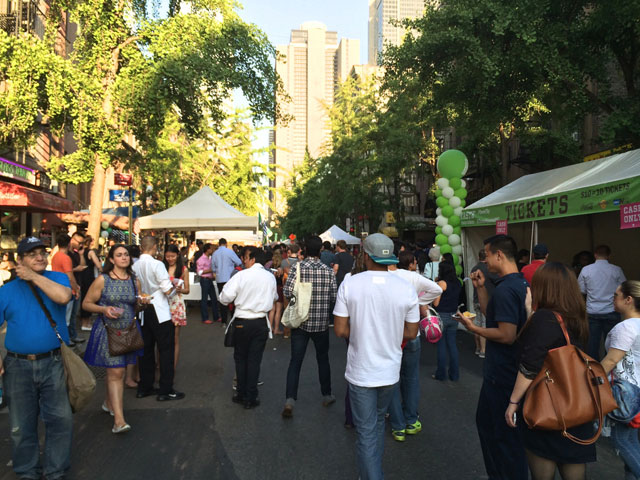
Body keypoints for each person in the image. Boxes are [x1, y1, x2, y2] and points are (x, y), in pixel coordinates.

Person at [333, 233, 419, 480]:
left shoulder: (350, 283)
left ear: (366, 256)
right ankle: (372, 472)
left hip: (361, 371)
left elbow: (339, 329)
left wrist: (362, 329)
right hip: (390, 371)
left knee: (367, 432)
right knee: (378, 424)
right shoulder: (405, 288)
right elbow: (412, 332)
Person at [505, 262, 595, 480]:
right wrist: (530, 313)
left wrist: (513, 402)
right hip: (577, 404)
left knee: (542, 471)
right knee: (573, 466)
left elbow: (530, 365)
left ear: (543, 287)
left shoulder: (544, 318)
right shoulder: (577, 316)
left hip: (547, 406)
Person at [456, 234, 529, 480]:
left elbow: (506, 334)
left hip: (503, 374)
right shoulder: (515, 284)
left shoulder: (509, 289)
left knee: (503, 437)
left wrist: (473, 328)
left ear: (499, 254)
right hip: (504, 372)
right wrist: (480, 288)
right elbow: (492, 314)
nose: (484, 261)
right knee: (491, 427)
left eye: (486, 254)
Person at [0, 236, 73, 479]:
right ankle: (27, 472)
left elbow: (63, 297)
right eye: (32, 254)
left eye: (42, 252)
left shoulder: (58, 278)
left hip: (53, 362)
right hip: (17, 365)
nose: (40, 257)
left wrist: (33, 277)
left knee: (60, 421)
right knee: (21, 427)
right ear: (19, 261)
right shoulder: (6, 291)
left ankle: (56, 471)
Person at [83, 244, 146, 434]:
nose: (124, 258)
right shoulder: (103, 280)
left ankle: (109, 402)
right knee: (116, 372)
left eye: (126, 254)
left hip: (129, 330)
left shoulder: (135, 280)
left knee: (119, 370)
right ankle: (119, 420)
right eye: (119, 255)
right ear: (111, 260)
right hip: (108, 331)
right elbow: (86, 303)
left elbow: (136, 307)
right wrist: (104, 309)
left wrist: (143, 303)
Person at [387, 250, 442, 441]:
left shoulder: (382, 277)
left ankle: (397, 425)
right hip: (412, 335)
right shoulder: (413, 277)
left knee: (392, 380)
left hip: (390, 335)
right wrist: (417, 302)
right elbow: (437, 289)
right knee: (410, 379)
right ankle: (411, 420)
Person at [281, 236, 338, 418]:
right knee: (323, 359)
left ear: (304, 249)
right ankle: (327, 394)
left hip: (300, 322)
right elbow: (333, 296)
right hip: (321, 324)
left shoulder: (298, 268)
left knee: (295, 362)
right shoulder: (328, 271)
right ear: (321, 249)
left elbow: (287, 291)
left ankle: (290, 399)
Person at [220, 246, 277, 409]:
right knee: (254, 360)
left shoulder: (241, 276)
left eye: (245, 257)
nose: (243, 261)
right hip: (260, 322)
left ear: (252, 259)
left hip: (242, 322)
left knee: (241, 358)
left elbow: (224, 298)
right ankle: (251, 396)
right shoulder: (269, 277)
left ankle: (241, 393)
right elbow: (274, 297)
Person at [132, 235, 184, 402]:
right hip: (159, 309)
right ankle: (165, 389)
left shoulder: (135, 264)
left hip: (143, 308)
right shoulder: (157, 264)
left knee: (146, 349)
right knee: (166, 350)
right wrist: (176, 289)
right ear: (154, 247)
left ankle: (145, 387)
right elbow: (167, 289)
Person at [601, 281, 640, 480]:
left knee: (621, 440)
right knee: (632, 442)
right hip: (636, 390)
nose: (612, 298)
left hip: (626, 392)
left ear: (628, 299)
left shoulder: (626, 327)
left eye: (616, 295)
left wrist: (591, 380)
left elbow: (611, 360)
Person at [578, 245, 626, 360]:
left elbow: (581, 290)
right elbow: (624, 287)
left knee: (592, 344)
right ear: (609, 255)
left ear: (595, 255)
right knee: (612, 344)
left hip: (592, 311)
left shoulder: (586, 270)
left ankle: (593, 370)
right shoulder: (616, 269)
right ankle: (609, 371)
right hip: (611, 311)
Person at [51, 235, 85, 347]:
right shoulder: (66, 258)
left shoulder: (55, 256)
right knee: (68, 317)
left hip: (58, 288)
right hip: (68, 289)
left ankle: (70, 337)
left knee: (64, 316)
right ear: (69, 243)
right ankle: (67, 339)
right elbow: (70, 276)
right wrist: (76, 289)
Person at [433, 261, 463, 382]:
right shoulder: (457, 283)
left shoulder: (442, 283)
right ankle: (454, 374)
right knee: (452, 345)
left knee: (441, 346)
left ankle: (441, 374)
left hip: (442, 315)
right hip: (454, 315)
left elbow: (436, 303)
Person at [164, 244, 189, 370]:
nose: (170, 259)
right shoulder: (161, 268)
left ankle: (172, 367)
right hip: (162, 304)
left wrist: (180, 289)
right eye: (167, 256)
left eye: (172, 256)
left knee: (174, 339)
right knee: (162, 338)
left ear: (177, 255)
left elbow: (187, 290)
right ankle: (161, 365)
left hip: (176, 305)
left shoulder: (183, 269)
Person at [470, 249, 498, 358]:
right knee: (484, 325)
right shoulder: (488, 269)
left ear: (478, 257)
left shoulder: (474, 268)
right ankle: (483, 350)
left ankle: (478, 347)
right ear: (486, 257)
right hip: (486, 300)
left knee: (477, 324)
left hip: (476, 299)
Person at [211, 238, 242, 325]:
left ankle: (224, 321)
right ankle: (232, 319)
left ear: (219, 244)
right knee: (232, 299)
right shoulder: (230, 252)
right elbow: (238, 262)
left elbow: (213, 267)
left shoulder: (215, 253)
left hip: (219, 278)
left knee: (222, 300)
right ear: (226, 244)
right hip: (230, 278)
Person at [78, 235, 102, 333]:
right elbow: (98, 265)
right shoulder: (91, 252)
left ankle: (86, 322)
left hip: (81, 276)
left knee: (84, 298)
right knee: (88, 299)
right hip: (89, 277)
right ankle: (85, 323)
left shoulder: (81, 252)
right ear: (91, 242)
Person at [197, 243, 220, 324]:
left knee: (214, 299)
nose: (212, 250)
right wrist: (211, 270)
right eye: (211, 249)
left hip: (209, 280)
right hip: (205, 280)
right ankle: (205, 318)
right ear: (207, 249)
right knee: (204, 299)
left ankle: (216, 317)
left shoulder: (209, 258)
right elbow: (199, 272)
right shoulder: (201, 259)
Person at [268, 249, 284, 335]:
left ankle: (270, 328)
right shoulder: (281, 268)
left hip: (272, 289)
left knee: (272, 310)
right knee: (278, 311)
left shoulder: (270, 267)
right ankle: (276, 329)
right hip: (279, 289)